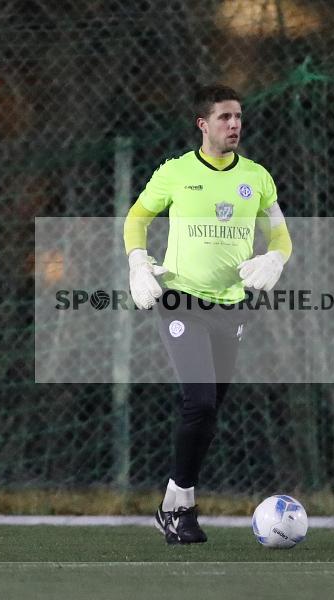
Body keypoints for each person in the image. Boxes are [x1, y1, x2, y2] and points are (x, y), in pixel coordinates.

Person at [123, 84, 292, 545]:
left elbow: (281, 236)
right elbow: (137, 218)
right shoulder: (176, 172)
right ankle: (182, 506)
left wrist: (275, 260)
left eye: (238, 116)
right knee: (197, 401)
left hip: (231, 307)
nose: (234, 124)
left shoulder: (256, 177)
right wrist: (138, 262)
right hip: (181, 300)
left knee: (210, 409)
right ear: (203, 124)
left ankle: (175, 505)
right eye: (224, 117)